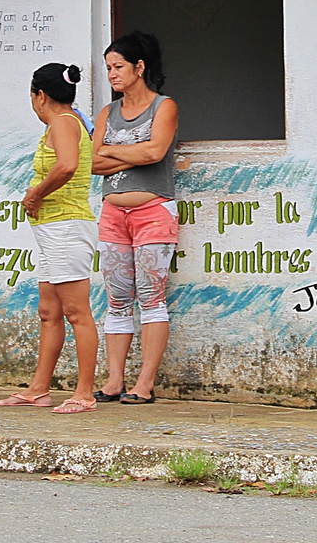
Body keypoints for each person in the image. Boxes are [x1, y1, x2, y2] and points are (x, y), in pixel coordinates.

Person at [0, 64, 100, 414]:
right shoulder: (65, 123)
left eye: (32, 97)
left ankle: (84, 393)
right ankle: (39, 389)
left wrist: (35, 194)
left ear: (40, 95)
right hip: (52, 229)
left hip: (67, 227)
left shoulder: (63, 123)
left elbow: (67, 165)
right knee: (49, 311)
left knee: (76, 311)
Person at [90, 31, 179, 404]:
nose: (112, 74)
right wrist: (133, 150)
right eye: (108, 68)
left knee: (151, 295)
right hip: (113, 213)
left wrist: (114, 148)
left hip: (153, 212)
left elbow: (156, 153)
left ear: (139, 67)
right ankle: (114, 381)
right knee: (117, 298)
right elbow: (92, 163)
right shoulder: (107, 113)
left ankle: (144, 383)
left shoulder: (164, 107)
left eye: (118, 66)